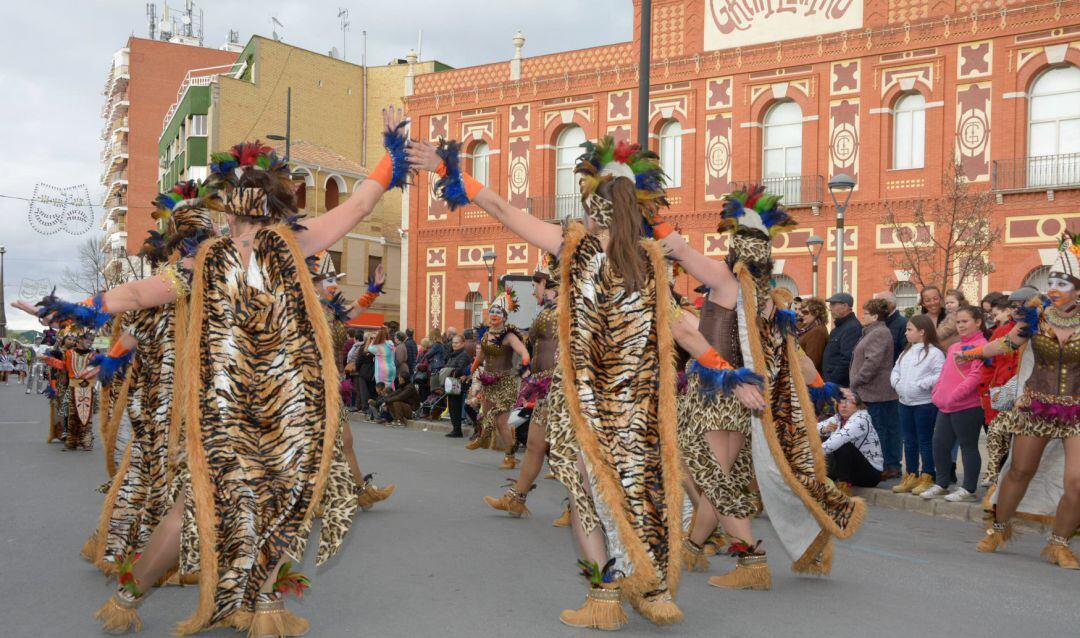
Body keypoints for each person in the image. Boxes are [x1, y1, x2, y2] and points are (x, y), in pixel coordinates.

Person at [17, 108, 410, 635]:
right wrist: (393, 148)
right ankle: (252, 603)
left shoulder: (204, 261)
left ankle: (153, 600)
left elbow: (137, 292)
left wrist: (71, 306)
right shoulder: (297, 244)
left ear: (231, 213)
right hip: (288, 411)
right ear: (276, 211)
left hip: (230, 410)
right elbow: (362, 201)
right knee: (276, 503)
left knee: (199, 502)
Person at [409, 135, 751, 627]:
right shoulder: (650, 265)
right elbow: (686, 331)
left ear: (593, 212)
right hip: (637, 409)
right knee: (640, 491)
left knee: (587, 497)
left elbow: (504, 209)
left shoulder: (576, 250)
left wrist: (450, 169)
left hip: (587, 404)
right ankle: (652, 588)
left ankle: (605, 597)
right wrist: (730, 372)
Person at [963, 233, 1080, 569]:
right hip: (1037, 406)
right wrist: (970, 353)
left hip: (1077, 410)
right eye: (1052, 281)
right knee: (1020, 470)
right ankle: (999, 528)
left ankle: (1059, 544)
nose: (1054, 288)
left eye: (1064, 282)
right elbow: (1006, 345)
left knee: (1076, 481)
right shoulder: (1037, 316)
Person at [484, 255, 562, 519]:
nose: (533, 290)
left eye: (536, 284)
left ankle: (579, 510)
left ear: (549, 283)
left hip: (561, 389)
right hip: (546, 388)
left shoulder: (569, 311)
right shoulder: (549, 311)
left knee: (566, 451)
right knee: (535, 444)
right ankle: (516, 499)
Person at [921, 306, 989, 502]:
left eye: (965, 321)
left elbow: (976, 377)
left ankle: (968, 489)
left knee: (968, 446)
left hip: (968, 405)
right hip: (945, 405)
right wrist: (937, 392)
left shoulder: (982, 346)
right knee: (939, 444)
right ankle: (942, 484)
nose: (960, 326)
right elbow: (944, 374)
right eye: (958, 322)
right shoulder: (954, 347)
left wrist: (955, 396)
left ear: (978, 323)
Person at [980, 287, 1038, 485]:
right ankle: (998, 481)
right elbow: (991, 362)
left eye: (1019, 305)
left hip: (1033, 396)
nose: (1015, 310)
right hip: (1005, 393)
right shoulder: (1005, 330)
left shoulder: (1043, 329)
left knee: (1024, 447)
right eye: (1012, 306)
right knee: (998, 435)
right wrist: (987, 392)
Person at [468, 290, 531, 470]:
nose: (494, 315)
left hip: (505, 382)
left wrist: (526, 360)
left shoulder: (509, 336)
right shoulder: (486, 335)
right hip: (489, 381)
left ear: (504, 317)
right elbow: (480, 358)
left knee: (501, 422)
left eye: (498, 313)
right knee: (486, 415)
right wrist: (470, 372)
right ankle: (483, 438)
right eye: (492, 312)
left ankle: (510, 457)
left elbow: (522, 350)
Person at [889, 314, 945, 495]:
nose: (906, 333)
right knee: (909, 441)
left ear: (922, 332)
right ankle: (911, 474)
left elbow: (939, 375)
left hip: (924, 404)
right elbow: (895, 370)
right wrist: (896, 383)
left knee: (925, 440)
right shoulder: (906, 351)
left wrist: (921, 384)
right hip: (905, 403)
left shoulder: (934, 353)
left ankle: (928, 475)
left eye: (909, 329)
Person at [850, 298, 901, 479]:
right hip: (873, 391)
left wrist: (857, 380)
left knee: (882, 430)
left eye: (865, 313)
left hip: (877, 392)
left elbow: (873, 361)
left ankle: (888, 465)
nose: (862, 316)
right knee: (882, 429)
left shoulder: (879, 333)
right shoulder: (872, 332)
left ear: (874, 316)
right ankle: (886, 464)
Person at [818, 393, 884, 489]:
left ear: (858, 406)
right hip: (852, 470)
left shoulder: (861, 419)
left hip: (870, 474)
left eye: (849, 402)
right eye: (840, 402)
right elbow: (811, 429)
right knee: (821, 437)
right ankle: (826, 478)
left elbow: (838, 439)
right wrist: (824, 429)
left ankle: (844, 485)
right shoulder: (838, 418)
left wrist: (812, 454)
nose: (844, 406)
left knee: (841, 444)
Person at [822, 292, 862, 386]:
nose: (830, 308)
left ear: (845, 306)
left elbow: (847, 360)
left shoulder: (852, 328)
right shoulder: (838, 328)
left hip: (839, 385)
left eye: (833, 305)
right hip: (831, 383)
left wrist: (831, 381)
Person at [442, 334, 473, 438]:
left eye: (456, 343)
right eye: (453, 342)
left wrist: (449, 370)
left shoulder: (463, 355)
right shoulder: (453, 354)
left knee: (455, 407)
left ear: (463, 343)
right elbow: (448, 366)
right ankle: (455, 428)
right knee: (451, 406)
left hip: (457, 384)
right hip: (451, 383)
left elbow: (460, 369)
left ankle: (457, 430)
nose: (454, 345)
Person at [796, 296, 829, 374]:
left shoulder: (817, 332)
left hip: (808, 379)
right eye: (801, 311)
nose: (801, 314)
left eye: (805, 312)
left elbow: (812, 363)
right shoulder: (807, 327)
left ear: (816, 313)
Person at [874, 290, 908, 363]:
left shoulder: (904, 324)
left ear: (891, 304)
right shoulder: (874, 323)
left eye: (880, 302)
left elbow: (905, 351)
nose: (876, 306)